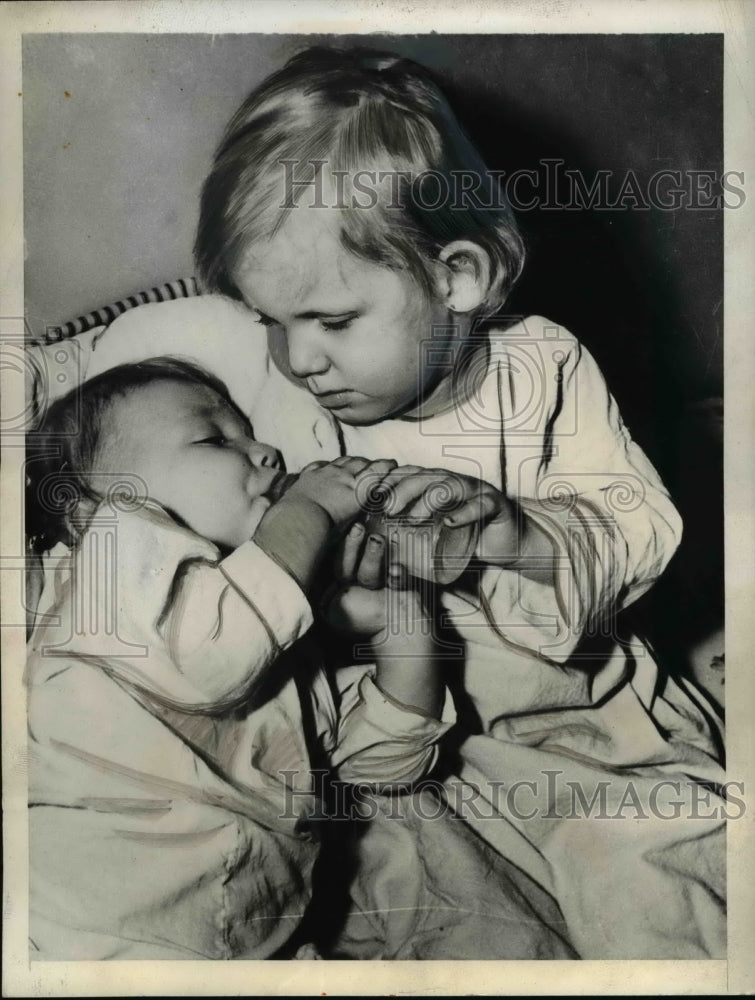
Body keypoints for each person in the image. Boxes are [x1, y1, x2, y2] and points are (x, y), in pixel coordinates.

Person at [27, 46, 727, 958]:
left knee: (657, 873)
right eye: (270, 321)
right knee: (409, 910)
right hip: (395, 743)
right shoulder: (276, 391)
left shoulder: (540, 370)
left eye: (331, 321)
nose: (297, 359)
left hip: (572, 720)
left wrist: (512, 533)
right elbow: (100, 403)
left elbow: (634, 527)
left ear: (457, 278)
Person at [25, 357, 452, 960]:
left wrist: (403, 620)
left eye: (252, 432)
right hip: (89, 925)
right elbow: (212, 656)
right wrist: (313, 511)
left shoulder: (274, 638)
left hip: (238, 937)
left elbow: (381, 770)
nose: (266, 452)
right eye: (214, 438)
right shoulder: (112, 560)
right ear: (87, 510)